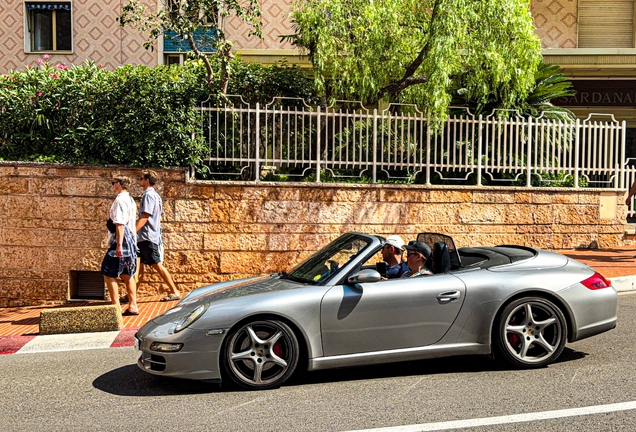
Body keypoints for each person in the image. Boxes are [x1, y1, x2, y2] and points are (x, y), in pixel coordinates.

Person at [135, 170, 181, 302]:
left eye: (141, 178)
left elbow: (145, 216)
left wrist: (133, 232)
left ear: (147, 180)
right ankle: (132, 295)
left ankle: (175, 291)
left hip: (147, 236)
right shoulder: (155, 196)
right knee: (140, 266)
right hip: (146, 236)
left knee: (157, 265)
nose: (140, 180)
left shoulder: (148, 196)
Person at [101, 175, 139, 315]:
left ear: (119, 184)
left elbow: (120, 224)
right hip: (131, 241)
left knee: (107, 271)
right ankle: (133, 305)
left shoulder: (120, 200)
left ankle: (115, 306)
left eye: (113, 183)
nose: (112, 185)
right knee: (126, 273)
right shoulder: (130, 200)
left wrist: (118, 246)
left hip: (121, 240)